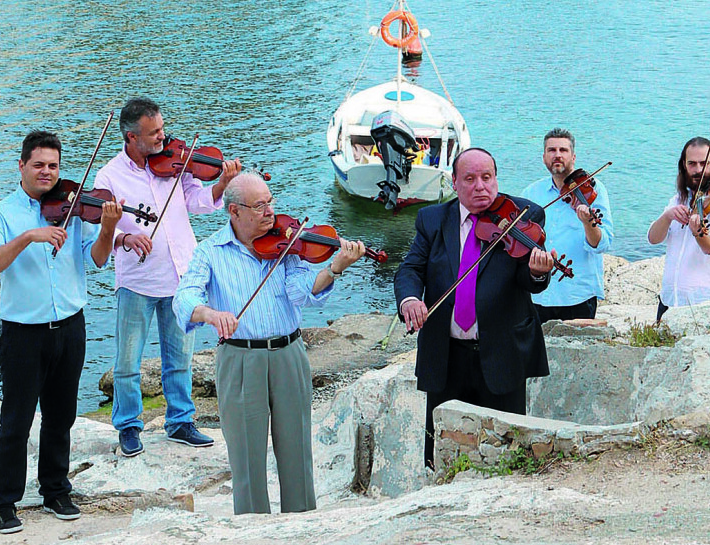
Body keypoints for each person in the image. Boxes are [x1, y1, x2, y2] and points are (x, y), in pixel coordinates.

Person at [172, 172, 366, 514]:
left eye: (270, 202)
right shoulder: (210, 252)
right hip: (240, 358)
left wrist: (335, 268)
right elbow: (185, 296)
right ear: (234, 211)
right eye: (259, 205)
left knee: (296, 448)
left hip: (288, 353)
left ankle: (301, 519)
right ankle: (251, 526)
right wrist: (209, 314)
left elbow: (302, 292)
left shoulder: (287, 247)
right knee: (246, 455)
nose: (270, 212)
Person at [0, 130, 123, 534]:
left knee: (62, 415)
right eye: (38, 165)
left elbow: (97, 258)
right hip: (24, 332)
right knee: (17, 419)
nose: (47, 172)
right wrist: (28, 236)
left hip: (70, 327)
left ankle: (55, 489)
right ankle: (3, 501)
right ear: (21, 166)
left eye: (53, 166)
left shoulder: (72, 207)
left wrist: (108, 228)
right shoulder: (3, 215)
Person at [94, 97, 241, 458]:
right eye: (154, 132)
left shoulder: (175, 164)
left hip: (181, 276)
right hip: (138, 282)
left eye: (162, 128)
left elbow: (199, 202)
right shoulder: (109, 176)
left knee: (180, 357)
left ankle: (180, 421)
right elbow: (98, 228)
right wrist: (124, 238)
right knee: (128, 361)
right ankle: (128, 426)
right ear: (131, 137)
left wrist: (223, 184)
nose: (163, 137)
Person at [394, 148, 555, 468]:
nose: (481, 186)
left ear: (496, 179)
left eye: (487, 177)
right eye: (470, 179)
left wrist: (539, 271)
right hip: (446, 354)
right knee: (441, 449)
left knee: (507, 449)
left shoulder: (525, 215)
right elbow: (411, 269)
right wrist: (410, 299)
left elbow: (526, 278)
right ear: (454, 183)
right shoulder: (433, 219)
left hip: (502, 351)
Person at [521, 128, 613, 322]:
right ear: (544, 156)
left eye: (563, 150)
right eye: (551, 150)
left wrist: (589, 224)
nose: (557, 155)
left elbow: (603, 244)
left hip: (578, 293)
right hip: (539, 294)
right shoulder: (532, 192)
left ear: (573, 156)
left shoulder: (594, 190)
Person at [647, 137, 710, 321]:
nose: (698, 170)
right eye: (692, 164)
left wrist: (698, 232)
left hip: (704, 301)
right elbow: (653, 238)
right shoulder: (680, 198)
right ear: (684, 165)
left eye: (703, 163)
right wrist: (667, 216)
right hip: (669, 299)